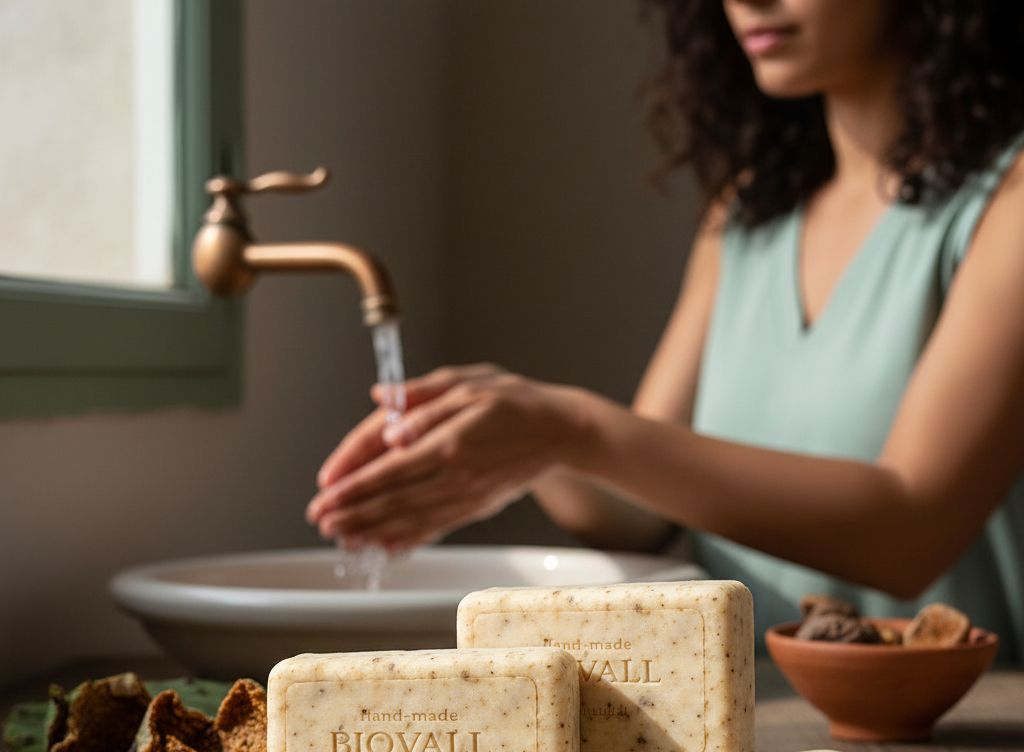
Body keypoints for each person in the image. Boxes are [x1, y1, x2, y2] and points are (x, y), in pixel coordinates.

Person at [306, 0, 1024, 658]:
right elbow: (636, 505)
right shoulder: (746, 218)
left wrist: (569, 429)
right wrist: (510, 438)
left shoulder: (1009, 203)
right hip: (748, 732)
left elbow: (909, 531)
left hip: (964, 743)